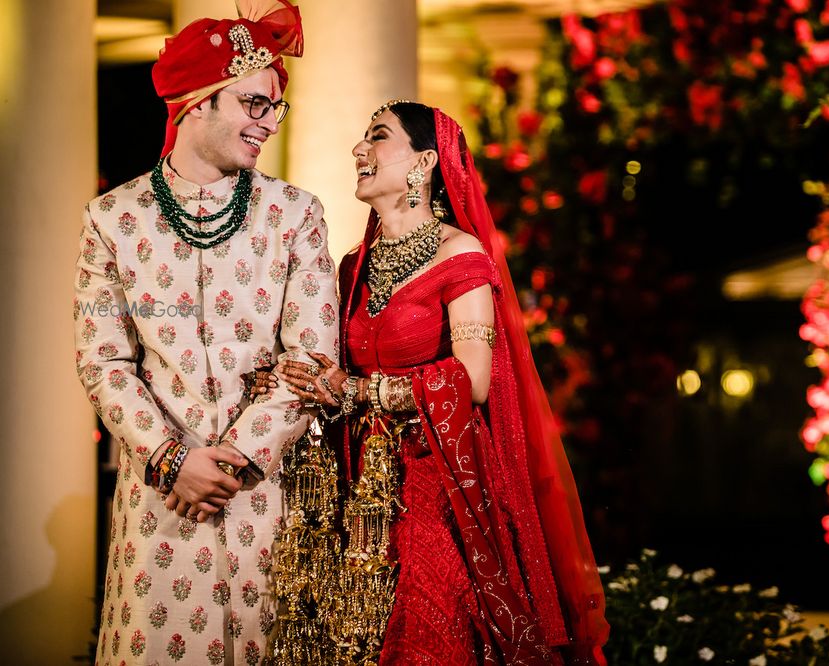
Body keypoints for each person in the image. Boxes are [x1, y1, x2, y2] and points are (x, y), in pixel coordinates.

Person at [260, 101, 608, 664]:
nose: (359, 150)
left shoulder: (460, 255)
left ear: (424, 162)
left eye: (377, 136)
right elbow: (334, 371)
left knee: (425, 627)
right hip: (356, 483)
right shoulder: (351, 268)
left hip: (435, 479)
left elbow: (471, 378)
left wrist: (362, 391)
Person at [74, 2, 338, 663]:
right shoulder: (112, 219)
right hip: (162, 500)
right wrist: (173, 461)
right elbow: (104, 362)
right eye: (253, 103)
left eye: (275, 108)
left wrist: (235, 461)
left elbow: (310, 353)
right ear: (196, 102)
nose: (268, 123)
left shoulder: (295, 214)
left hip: (262, 497)